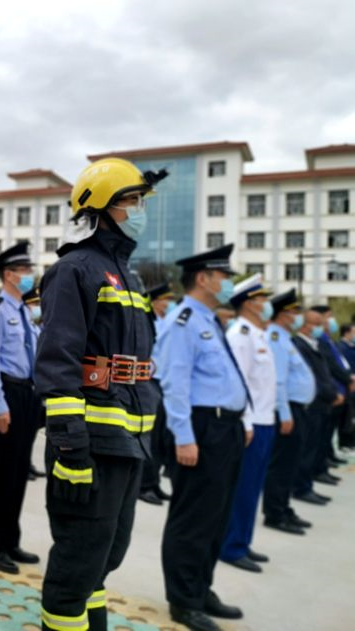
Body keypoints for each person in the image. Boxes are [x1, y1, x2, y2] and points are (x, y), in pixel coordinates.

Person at [35, 158, 165, 631]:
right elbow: (58, 364)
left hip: (129, 443)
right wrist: (71, 450)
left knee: (106, 557)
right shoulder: (75, 269)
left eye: (140, 201)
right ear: (102, 207)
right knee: (77, 565)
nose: (139, 210)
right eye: (131, 201)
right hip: (90, 445)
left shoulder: (128, 274)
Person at [155, 243, 247, 631]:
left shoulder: (209, 320)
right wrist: (184, 437)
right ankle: (183, 600)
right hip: (200, 429)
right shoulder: (184, 321)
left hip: (225, 428)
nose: (229, 283)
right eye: (224, 276)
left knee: (216, 516)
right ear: (204, 278)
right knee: (192, 518)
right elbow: (174, 384)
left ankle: (201, 587)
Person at [0, 242, 41, 576]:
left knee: (18, 473)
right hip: (6, 395)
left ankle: (11, 540)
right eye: (24, 270)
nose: (29, 275)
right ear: (9, 274)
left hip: (27, 395)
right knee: (1, 473)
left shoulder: (27, 311)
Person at [218, 275, 276, 573]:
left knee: (253, 487)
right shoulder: (239, 334)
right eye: (262, 299)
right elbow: (236, 383)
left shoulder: (257, 333)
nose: (266, 304)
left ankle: (243, 540)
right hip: (251, 423)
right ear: (250, 304)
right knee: (242, 487)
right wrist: (246, 422)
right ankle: (231, 546)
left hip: (266, 420)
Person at [262, 289, 315, 535]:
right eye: (295, 312)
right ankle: (275, 513)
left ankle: (283, 507)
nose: (298, 317)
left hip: (296, 409)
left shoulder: (284, 337)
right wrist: (285, 414)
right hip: (288, 410)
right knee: (281, 465)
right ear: (283, 314)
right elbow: (279, 381)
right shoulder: (275, 338)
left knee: (290, 463)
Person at [291, 308, 340, 505]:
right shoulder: (299, 345)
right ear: (304, 325)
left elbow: (324, 372)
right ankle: (301, 488)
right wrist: (329, 394)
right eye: (317, 323)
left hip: (321, 402)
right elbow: (311, 377)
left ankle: (307, 484)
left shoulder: (314, 344)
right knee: (307, 449)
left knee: (314, 446)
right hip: (312, 403)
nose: (321, 327)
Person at [138, 283, 176, 505]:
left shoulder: (165, 322)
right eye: (166, 300)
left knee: (160, 438)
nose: (169, 304)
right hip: (150, 381)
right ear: (155, 301)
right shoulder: (147, 321)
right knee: (150, 437)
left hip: (164, 383)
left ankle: (154, 482)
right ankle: (144, 485)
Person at [311, 305, 353, 475]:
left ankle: (327, 457)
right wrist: (347, 379)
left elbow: (339, 362)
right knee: (323, 431)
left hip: (339, 388)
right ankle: (320, 465)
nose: (331, 320)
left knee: (329, 428)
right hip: (330, 390)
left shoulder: (329, 340)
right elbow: (330, 366)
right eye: (328, 316)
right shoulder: (320, 340)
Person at [22, 286, 46, 481]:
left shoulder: (37, 328)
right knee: (22, 432)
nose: (38, 307)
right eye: (35, 304)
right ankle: (23, 464)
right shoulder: (23, 327)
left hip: (36, 384)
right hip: (23, 384)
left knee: (31, 431)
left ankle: (27, 463)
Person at [338, 324, 355, 452]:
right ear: (347, 333)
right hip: (348, 385)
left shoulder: (351, 347)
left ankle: (350, 442)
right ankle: (345, 443)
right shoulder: (341, 347)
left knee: (351, 416)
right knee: (347, 416)